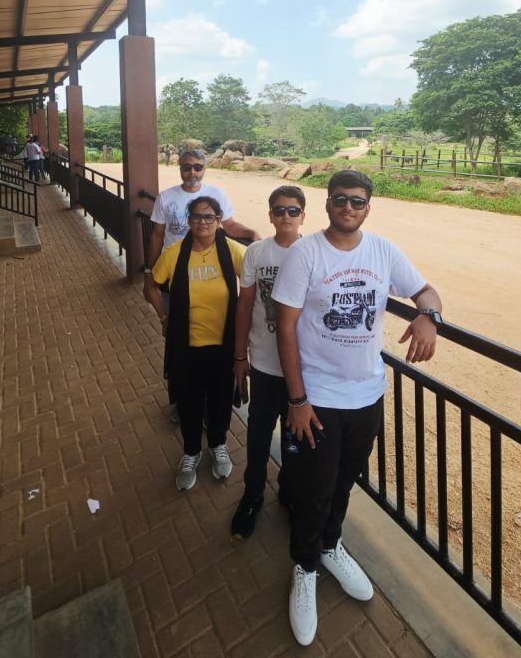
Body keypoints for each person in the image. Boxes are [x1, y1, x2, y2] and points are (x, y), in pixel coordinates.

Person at [272, 170, 442, 646]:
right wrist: (297, 400)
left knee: (345, 480)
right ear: (327, 204)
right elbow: (285, 328)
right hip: (318, 400)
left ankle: (331, 545)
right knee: (313, 488)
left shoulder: (383, 251)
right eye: (341, 199)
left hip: (367, 395)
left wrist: (429, 316)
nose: (349, 207)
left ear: (369, 207)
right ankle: (305, 567)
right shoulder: (306, 253)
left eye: (358, 201)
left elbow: (425, 291)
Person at [144, 147, 260, 421]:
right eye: (187, 166)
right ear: (180, 168)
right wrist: (150, 268)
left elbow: (229, 225)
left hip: (210, 274)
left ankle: (211, 402)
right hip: (175, 277)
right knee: (177, 341)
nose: (192, 172)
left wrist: (252, 234)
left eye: (197, 166)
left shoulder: (216, 194)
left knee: (213, 339)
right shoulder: (166, 197)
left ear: (204, 168)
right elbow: (157, 235)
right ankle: (180, 399)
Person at [145, 196, 245, 490]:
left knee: (220, 399)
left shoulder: (232, 250)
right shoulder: (175, 252)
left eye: (209, 216)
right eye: (197, 216)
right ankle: (191, 452)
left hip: (223, 346)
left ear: (219, 220)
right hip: (186, 346)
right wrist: (163, 317)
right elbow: (151, 286)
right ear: (188, 220)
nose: (203, 222)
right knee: (189, 401)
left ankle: (218, 444)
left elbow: (255, 283)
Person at [231, 185, 306, 540]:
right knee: (259, 434)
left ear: (303, 215)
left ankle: (290, 491)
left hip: (302, 372)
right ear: (270, 215)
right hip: (263, 364)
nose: (285, 216)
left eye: (293, 210)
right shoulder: (257, 252)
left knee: (295, 438)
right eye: (279, 210)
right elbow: (245, 305)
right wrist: (239, 356)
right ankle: (253, 494)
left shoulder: (313, 252)